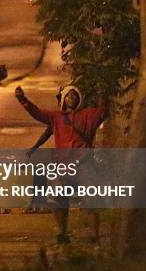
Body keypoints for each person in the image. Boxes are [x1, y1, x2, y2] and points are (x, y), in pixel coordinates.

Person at [15, 85, 106, 244]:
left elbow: (104, 111)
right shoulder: (56, 117)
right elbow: (37, 113)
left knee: (92, 199)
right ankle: (62, 233)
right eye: (68, 95)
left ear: (80, 99)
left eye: (74, 95)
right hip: (62, 166)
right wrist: (23, 100)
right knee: (57, 200)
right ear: (63, 99)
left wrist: (103, 90)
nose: (71, 98)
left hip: (83, 164)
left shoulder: (89, 115)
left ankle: (93, 235)